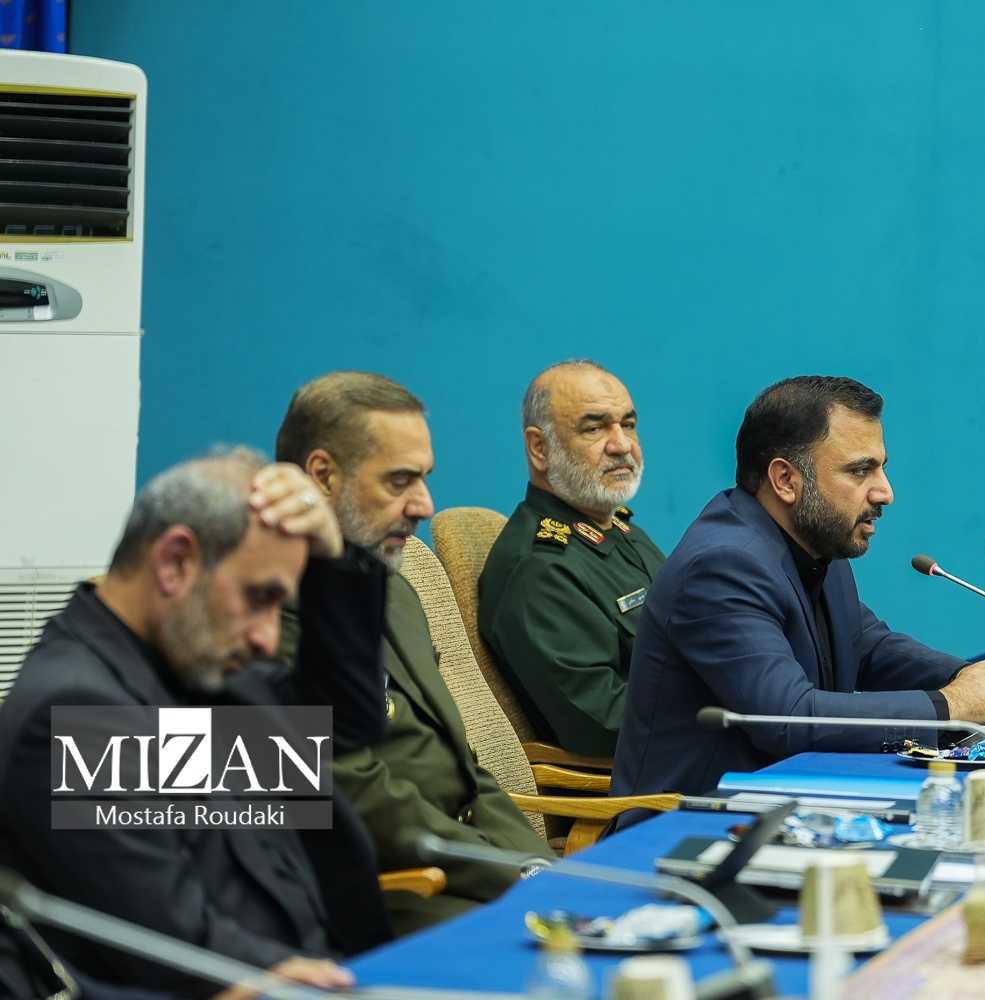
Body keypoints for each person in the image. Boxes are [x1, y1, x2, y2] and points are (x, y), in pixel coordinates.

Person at [0, 450, 391, 997]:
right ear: (175, 563)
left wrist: (333, 558)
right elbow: (179, 950)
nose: (268, 640)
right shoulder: (76, 712)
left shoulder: (197, 667)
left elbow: (346, 720)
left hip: (342, 967)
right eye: (259, 597)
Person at [612, 376, 985, 800]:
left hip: (792, 802)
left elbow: (867, 647)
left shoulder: (814, 541)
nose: (885, 492)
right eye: (860, 471)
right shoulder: (722, 565)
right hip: (693, 822)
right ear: (785, 480)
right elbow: (786, 717)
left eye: (882, 468)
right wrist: (951, 705)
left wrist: (965, 676)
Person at [273, 372, 552, 935]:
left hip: (467, 868)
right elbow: (346, 787)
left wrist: (540, 867)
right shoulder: (266, 610)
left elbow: (462, 766)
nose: (424, 504)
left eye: (423, 478)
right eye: (399, 481)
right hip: (391, 890)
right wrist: (512, 876)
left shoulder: (395, 590)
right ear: (322, 475)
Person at [479, 360, 666, 758]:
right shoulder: (541, 568)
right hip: (655, 778)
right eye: (594, 428)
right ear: (539, 448)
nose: (622, 445)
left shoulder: (620, 529)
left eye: (628, 424)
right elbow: (606, 724)